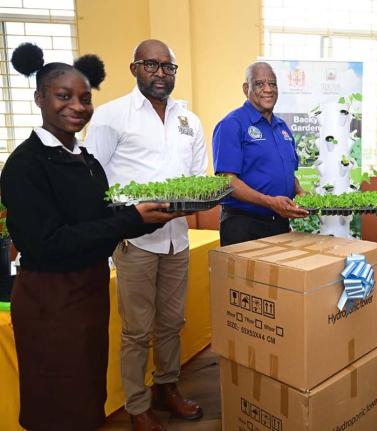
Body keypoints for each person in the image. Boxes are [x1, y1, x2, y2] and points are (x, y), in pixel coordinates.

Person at [0, 43, 182, 431]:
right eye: (64, 96)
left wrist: (147, 216)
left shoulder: (86, 160)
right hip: (50, 300)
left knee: (85, 392)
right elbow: (48, 244)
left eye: (85, 98)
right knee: (53, 395)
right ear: (39, 98)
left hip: (88, 291)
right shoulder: (25, 165)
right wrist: (130, 219)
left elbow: (100, 219)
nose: (77, 107)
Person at [84, 39, 208, 430]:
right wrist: (127, 215)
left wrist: (195, 202)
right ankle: (138, 405)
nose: (160, 73)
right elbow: (91, 178)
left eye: (168, 67)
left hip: (177, 238)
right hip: (135, 241)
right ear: (134, 67)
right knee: (137, 331)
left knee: (172, 323)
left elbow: (197, 180)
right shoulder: (110, 116)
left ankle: (166, 387)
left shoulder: (189, 120)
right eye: (151, 65)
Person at [212, 61, 308, 246]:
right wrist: (270, 202)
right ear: (246, 88)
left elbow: (289, 175)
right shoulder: (231, 125)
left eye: (272, 84)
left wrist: (301, 194)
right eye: (259, 84)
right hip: (244, 225)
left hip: (279, 224)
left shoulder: (283, 128)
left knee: (279, 275)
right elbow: (227, 181)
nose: (268, 89)